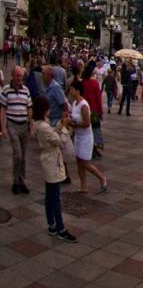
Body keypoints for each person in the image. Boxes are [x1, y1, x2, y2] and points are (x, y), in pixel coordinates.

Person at [31, 96, 78, 242]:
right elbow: (58, 140)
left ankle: (51, 225)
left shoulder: (39, 124)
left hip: (48, 161)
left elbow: (53, 134)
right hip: (52, 162)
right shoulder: (43, 127)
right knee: (55, 198)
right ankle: (60, 228)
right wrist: (64, 126)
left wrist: (59, 124)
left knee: (49, 196)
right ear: (43, 110)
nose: (50, 110)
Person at [67, 81, 109, 194]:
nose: (70, 91)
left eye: (72, 89)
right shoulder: (74, 103)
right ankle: (83, 185)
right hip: (78, 136)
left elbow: (87, 123)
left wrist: (75, 124)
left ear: (77, 90)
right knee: (78, 161)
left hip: (85, 137)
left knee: (85, 162)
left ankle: (102, 178)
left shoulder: (83, 104)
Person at [1, 66, 33, 194]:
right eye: (17, 76)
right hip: (12, 124)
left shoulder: (26, 90)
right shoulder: (6, 90)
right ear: (13, 76)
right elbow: (2, 109)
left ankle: (21, 181)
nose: (20, 78)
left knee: (24, 156)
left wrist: (31, 123)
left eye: (21, 76)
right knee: (18, 154)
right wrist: (3, 128)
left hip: (24, 125)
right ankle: (15, 181)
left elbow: (29, 107)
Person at [80, 64, 104, 155]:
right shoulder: (95, 83)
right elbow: (98, 98)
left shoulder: (81, 83)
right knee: (95, 130)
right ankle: (94, 147)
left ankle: (88, 147)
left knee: (86, 130)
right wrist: (100, 112)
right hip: (94, 110)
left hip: (84, 110)